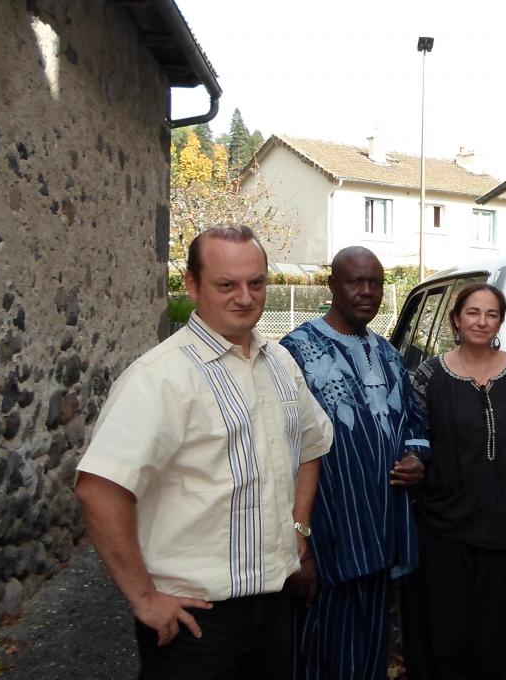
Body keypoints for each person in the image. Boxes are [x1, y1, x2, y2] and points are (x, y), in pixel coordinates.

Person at [74, 226, 333, 679]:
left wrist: (298, 524)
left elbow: (313, 445)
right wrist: (144, 599)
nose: (245, 297)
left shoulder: (281, 363)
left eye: (256, 283)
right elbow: (99, 489)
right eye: (226, 285)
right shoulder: (161, 376)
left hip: (273, 605)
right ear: (192, 285)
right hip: (196, 620)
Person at [401, 282, 506, 679]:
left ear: (500, 322)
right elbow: (412, 440)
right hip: (443, 528)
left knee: (504, 634)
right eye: (473, 313)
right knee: (446, 631)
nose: (482, 321)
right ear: (456, 319)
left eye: (491, 314)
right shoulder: (429, 375)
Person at [279, 247, 428, 679]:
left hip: (381, 534)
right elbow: (282, 446)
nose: (367, 292)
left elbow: (415, 419)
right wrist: (297, 539)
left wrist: (418, 457)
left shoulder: (388, 354)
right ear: (333, 286)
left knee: (370, 650)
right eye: (355, 281)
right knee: (319, 650)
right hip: (330, 535)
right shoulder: (296, 352)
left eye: (376, 283)